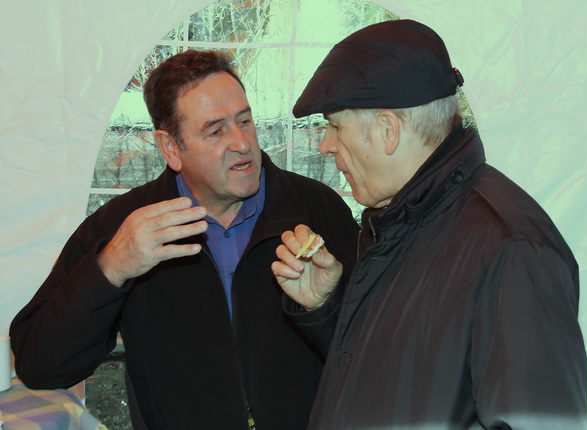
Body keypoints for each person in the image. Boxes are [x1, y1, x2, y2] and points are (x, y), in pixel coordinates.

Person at [10, 50, 359, 430]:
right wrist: (110, 269)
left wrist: (325, 306)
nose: (242, 142)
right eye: (216, 130)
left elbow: (375, 353)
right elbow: (41, 367)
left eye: (245, 121)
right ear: (171, 148)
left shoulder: (317, 210)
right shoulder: (120, 228)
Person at [272, 20, 587, 429]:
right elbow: (407, 383)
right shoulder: (403, 223)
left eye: (334, 126)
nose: (325, 145)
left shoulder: (512, 250)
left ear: (388, 131)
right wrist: (327, 308)